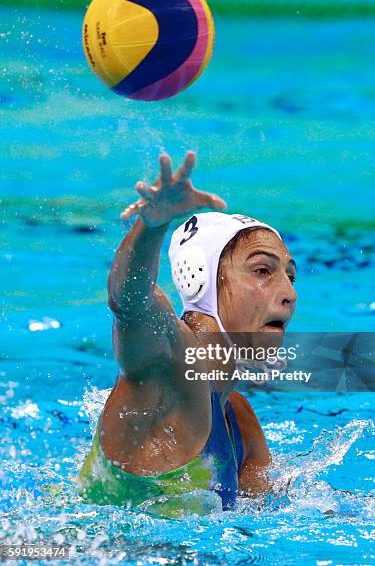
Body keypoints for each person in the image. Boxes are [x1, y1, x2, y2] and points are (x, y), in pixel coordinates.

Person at [78, 151, 297, 515]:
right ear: (200, 278)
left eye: (290, 274)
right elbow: (129, 302)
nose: (289, 293)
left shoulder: (238, 419)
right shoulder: (168, 366)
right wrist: (152, 224)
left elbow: (284, 515)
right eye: (263, 271)